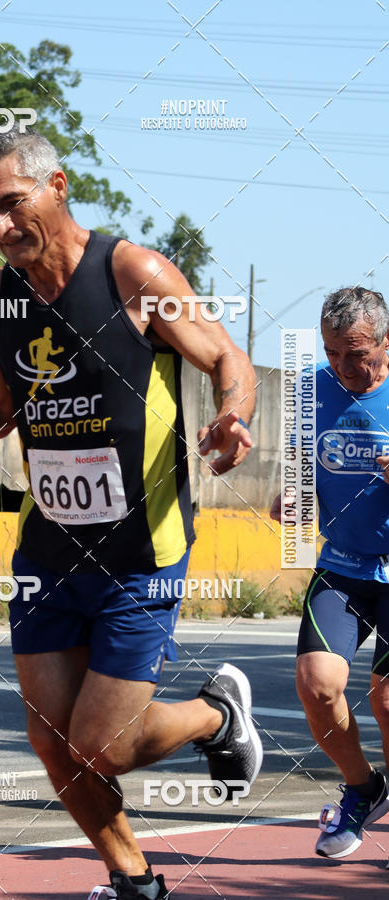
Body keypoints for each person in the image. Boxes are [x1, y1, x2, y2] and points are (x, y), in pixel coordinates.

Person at [0, 129, 262, 899]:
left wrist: (232, 415)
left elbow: (228, 357)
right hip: (48, 553)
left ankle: (214, 713)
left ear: (57, 185)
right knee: (51, 738)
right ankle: (132, 878)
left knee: (103, 743)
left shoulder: (134, 272)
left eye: (10, 204)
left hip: (140, 552)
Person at [271, 286, 389, 860]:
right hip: (342, 566)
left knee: (388, 701)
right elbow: (299, 471)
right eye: (331, 351)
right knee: (318, 687)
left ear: (386, 343)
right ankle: (366, 789)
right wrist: (288, 498)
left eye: (357, 352)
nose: (343, 366)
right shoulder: (309, 390)